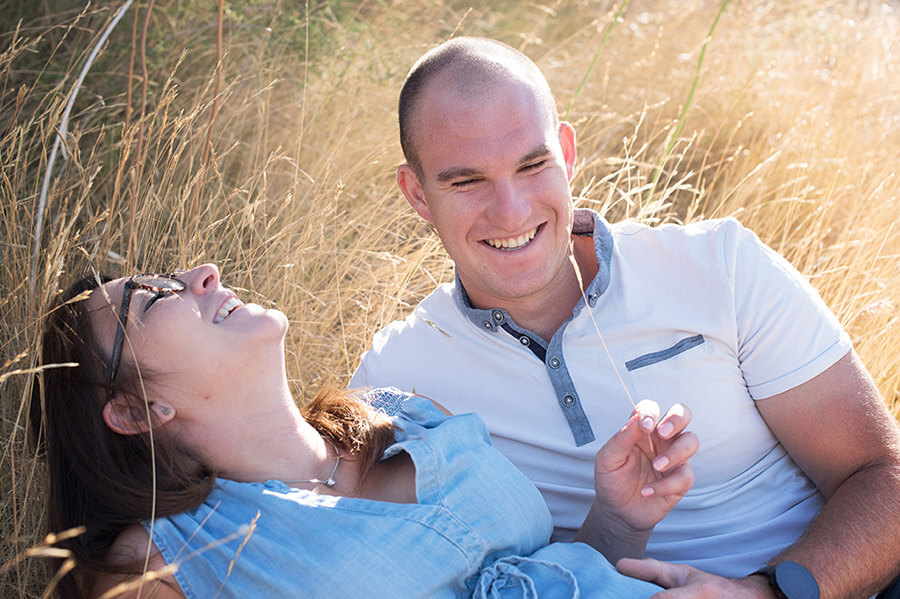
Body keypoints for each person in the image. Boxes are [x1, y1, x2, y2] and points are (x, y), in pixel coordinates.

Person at [349, 37, 900, 597]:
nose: (511, 210)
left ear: (566, 154)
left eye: (533, 165)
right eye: (466, 181)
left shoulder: (721, 266)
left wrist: (766, 593)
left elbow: (884, 476)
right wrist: (615, 525)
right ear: (417, 194)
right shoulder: (397, 379)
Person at [29, 263, 698, 599]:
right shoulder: (160, 561)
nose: (202, 273)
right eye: (154, 297)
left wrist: (615, 520)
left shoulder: (401, 412)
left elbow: (554, 572)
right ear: (134, 410)